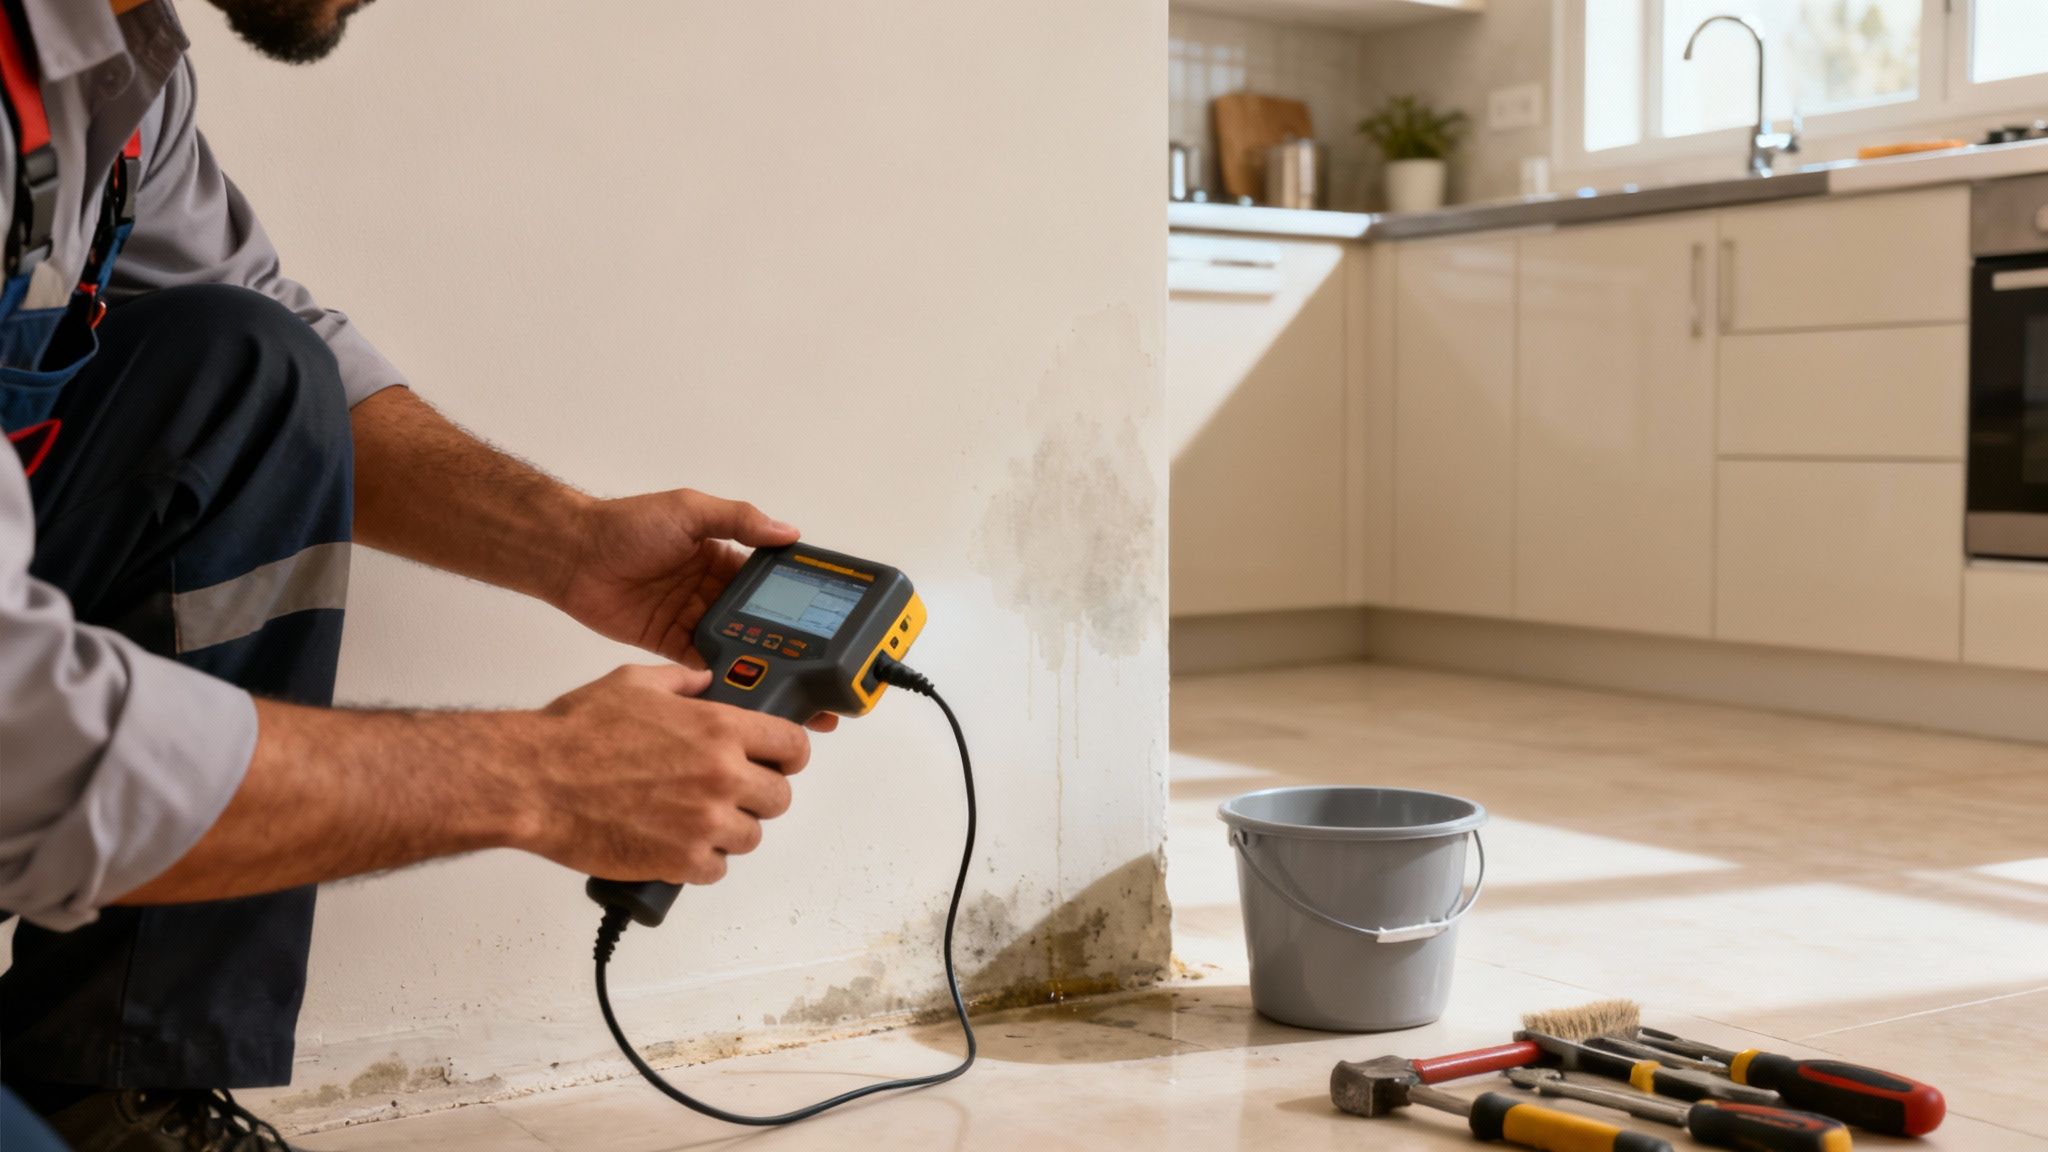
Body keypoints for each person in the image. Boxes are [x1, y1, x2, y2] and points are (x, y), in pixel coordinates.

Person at [0, 1, 831, 1147]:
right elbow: (20, 737)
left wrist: (569, 542)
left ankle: (108, 1090)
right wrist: (539, 781)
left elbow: (291, 351)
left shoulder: (117, 75)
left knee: (251, 371)